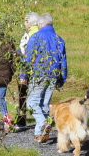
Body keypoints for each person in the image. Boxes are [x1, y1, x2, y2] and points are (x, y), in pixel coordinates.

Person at [24, 13, 67, 143]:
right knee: (43, 104)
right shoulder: (59, 40)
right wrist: (62, 78)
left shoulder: (36, 37)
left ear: (41, 24)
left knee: (32, 103)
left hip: (39, 73)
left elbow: (28, 57)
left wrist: (23, 75)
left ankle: (43, 123)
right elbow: (63, 61)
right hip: (53, 75)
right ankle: (40, 134)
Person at [15, 12, 40, 131]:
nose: (24, 23)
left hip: (28, 69)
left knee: (23, 95)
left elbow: (26, 54)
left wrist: (23, 73)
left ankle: (22, 121)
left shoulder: (30, 34)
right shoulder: (38, 32)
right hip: (36, 69)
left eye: (25, 21)